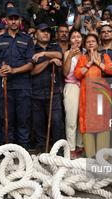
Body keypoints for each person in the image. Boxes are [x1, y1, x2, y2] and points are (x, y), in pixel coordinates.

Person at [0, 7, 35, 148]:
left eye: (16, 19)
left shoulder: (27, 40)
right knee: (7, 120)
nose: (14, 21)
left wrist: (14, 70)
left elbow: (30, 64)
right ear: (6, 21)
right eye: (11, 19)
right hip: (5, 86)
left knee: (22, 120)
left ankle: (23, 151)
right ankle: (8, 151)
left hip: (22, 86)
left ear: (20, 20)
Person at [74, 34, 112, 158]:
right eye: (88, 41)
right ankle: (91, 156)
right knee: (87, 123)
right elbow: (77, 74)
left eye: (93, 41)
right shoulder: (82, 59)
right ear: (85, 45)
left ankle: (103, 157)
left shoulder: (104, 56)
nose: (91, 43)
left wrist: (96, 62)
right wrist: (89, 63)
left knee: (103, 122)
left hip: (102, 95)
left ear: (98, 44)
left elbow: (110, 70)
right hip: (87, 96)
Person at [31, 23, 65, 153]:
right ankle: (44, 150)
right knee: (38, 123)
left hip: (53, 92)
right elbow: (32, 72)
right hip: (36, 92)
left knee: (57, 121)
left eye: (48, 31)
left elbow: (60, 56)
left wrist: (44, 53)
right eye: (42, 31)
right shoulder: (32, 49)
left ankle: (58, 151)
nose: (46, 33)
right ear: (36, 34)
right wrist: (48, 61)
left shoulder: (54, 47)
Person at [63, 29, 84, 159]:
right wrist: (70, 56)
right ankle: (71, 148)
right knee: (71, 119)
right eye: (73, 37)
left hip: (85, 87)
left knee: (82, 118)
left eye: (78, 37)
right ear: (70, 40)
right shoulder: (66, 54)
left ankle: (80, 145)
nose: (76, 39)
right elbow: (65, 73)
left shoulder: (86, 53)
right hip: (71, 86)